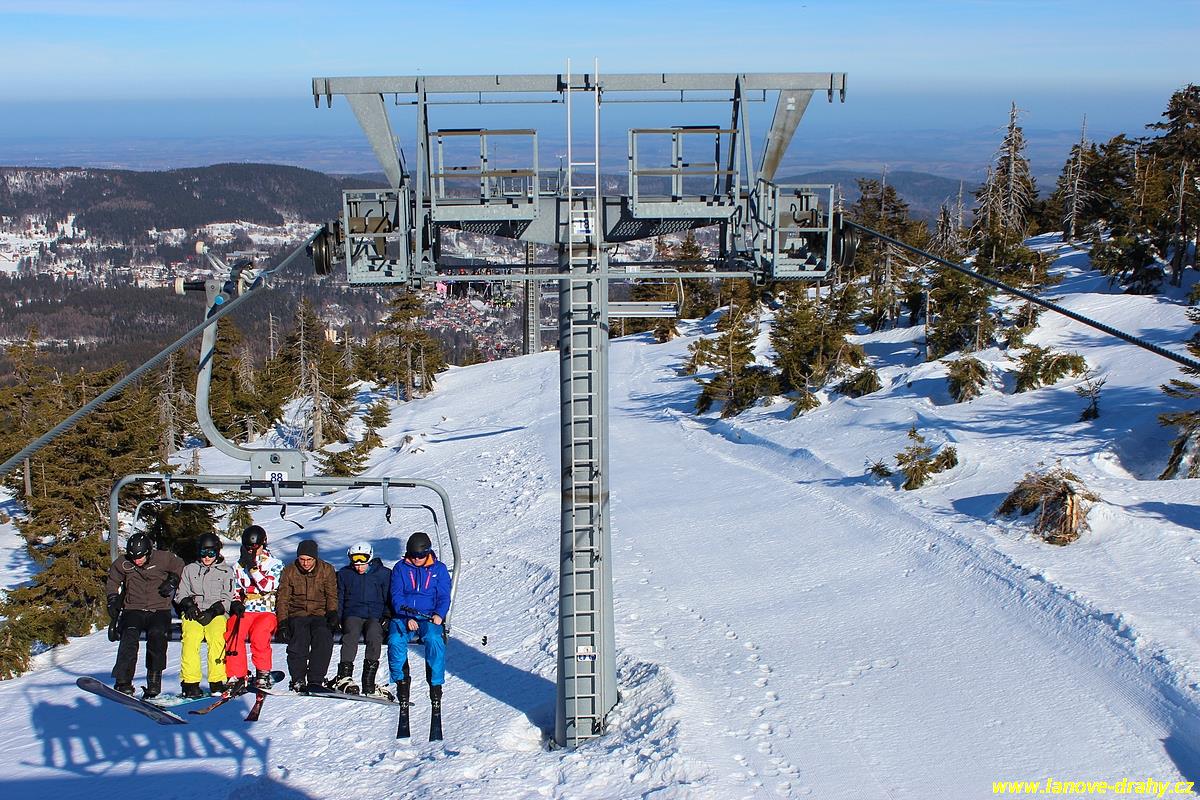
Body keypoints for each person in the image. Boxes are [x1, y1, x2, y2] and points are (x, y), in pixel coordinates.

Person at [105, 532, 185, 698]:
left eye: (140, 557)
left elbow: (180, 565)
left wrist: (172, 580)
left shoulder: (163, 558)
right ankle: (123, 680)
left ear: (148, 552)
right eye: (134, 557)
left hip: (159, 609)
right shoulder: (124, 563)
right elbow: (113, 580)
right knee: (129, 636)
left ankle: (154, 681)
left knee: (157, 635)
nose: (137, 561)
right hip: (133, 608)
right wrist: (112, 599)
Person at [388, 531, 451, 717]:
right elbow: (396, 595)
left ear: (428, 553)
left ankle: (435, 687)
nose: (416, 559)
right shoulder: (400, 568)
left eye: (420, 556)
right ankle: (401, 684)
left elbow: (444, 596)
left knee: (434, 639)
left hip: (429, 616)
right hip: (404, 616)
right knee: (395, 640)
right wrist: (407, 616)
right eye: (413, 555)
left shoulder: (439, 569)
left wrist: (439, 614)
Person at [174, 531, 236, 698]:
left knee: (216, 638)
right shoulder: (189, 569)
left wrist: (214, 611)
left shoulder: (226, 571)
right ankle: (190, 682)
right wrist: (188, 604)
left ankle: (217, 681)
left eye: (211, 553)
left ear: (217, 552)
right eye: (203, 552)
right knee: (190, 639)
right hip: (194, 611)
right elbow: (181, 592)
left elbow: (228, 597)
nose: (207, 557)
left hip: (216, 613)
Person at [225, 524, 283, 692]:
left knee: (259, 634)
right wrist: (236, 601)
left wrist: (253, 568)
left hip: (266, 609)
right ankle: (237, 674)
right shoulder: (238, 565)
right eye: (248, 547)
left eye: (255, 547)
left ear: (263, 543)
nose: (252, 550)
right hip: (247, 609)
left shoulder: (275, 563)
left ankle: (263, 672)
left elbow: (267, 586)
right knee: (233, 631)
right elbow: (236, 587)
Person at [331, 542, 393, 699]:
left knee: (374, 634)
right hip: (353, 613)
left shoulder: (383, 574)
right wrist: (338, 617)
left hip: (374, 615)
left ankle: (368, 681)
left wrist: (387, 616)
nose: (359, 568)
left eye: (362, 564)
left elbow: (389, 597)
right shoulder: (345, 574)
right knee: (351, 634)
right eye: (356, 565)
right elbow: (340, 598)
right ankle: (344, 677)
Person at [276, 539, 338, 691]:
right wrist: (283, 622)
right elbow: (283, 598)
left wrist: (332, 613)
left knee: (323, 637)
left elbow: (331, 595)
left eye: (309, 560)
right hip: (298, 613)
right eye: (302, 559)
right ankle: (298, 679)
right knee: (299, 638)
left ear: (315, 558)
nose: (305, 563)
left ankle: (316, 680)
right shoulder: (290, 571)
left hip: (319, 613)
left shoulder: (326, 570)